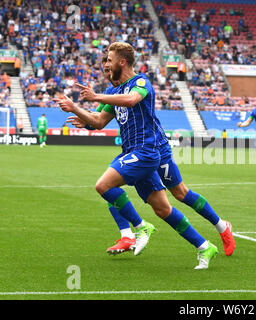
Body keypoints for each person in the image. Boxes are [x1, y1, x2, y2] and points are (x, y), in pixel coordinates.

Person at [58, 42, 220, 269]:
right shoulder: (114, 91)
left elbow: (132, 99)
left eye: (110, 60)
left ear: (122, 62)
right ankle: (204, 247)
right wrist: (76, 108)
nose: (106, 64)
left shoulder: (141, 82)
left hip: (145, 153)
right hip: (132, 152)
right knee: (163, 209)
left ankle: (139, 227)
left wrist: (96, 97)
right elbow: (98, 121)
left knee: (103, 185)